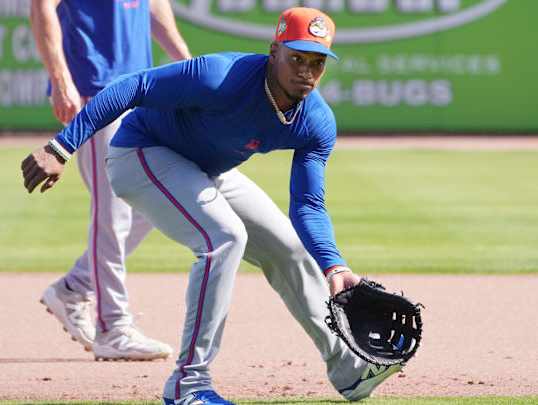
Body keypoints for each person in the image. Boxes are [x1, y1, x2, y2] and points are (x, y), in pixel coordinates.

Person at [22, 7, 402, 404]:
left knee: (289, 247)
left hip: (204, 168)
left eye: (317, 62)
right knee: (224, 237)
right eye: (297, 58)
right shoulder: (220, 75)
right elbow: (130, 87)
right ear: (274, 52)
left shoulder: (315, 120)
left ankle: (349, 369)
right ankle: (189, 384)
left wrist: (334, 264)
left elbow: (307, 203)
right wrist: (62, 145)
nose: (306, 71)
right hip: (141, 153)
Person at [29, 0, 192, 361]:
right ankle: (113, 328)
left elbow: (152, 6)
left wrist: (185, 61)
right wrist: (60, 79)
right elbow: (41, 6)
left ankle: (75, 287)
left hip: (139, 88)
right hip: (94, 86)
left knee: (158, 196)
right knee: (114, 209)